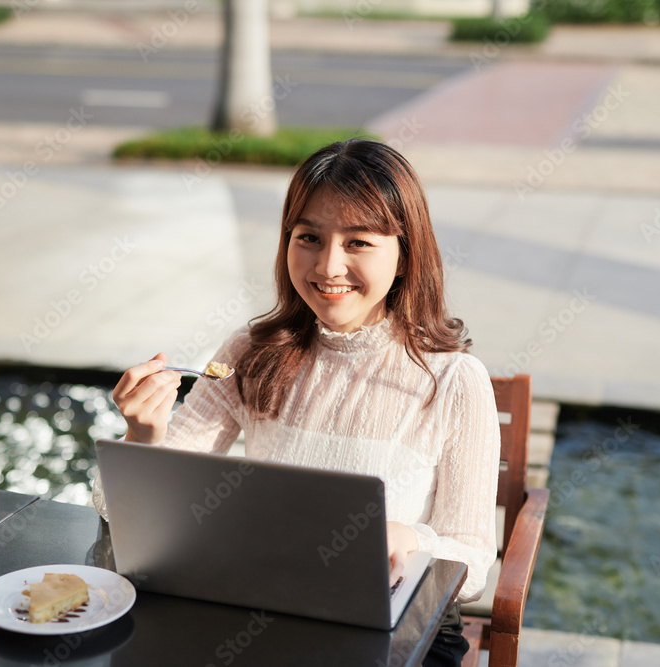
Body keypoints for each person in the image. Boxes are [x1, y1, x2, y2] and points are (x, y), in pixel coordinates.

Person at [105, 138, 500, 664]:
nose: (329, 266)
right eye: (308, 237)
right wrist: (144, 436)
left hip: (393, 630)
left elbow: (472, 557)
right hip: (265, 602)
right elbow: (123, 514)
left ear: (405, 255)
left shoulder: (454, 381)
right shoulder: (251, 352)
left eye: (358, 242)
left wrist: (413, 539)